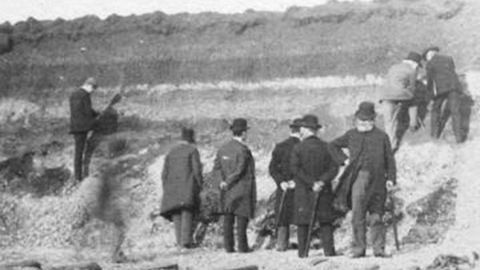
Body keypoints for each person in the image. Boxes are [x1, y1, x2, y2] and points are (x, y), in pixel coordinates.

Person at [330, 102, 396, 258]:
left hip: (379, 180)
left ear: (373, 120)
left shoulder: (382, 136)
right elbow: (332, 146)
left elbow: (390, 160)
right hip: (358, 179)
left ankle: (378, 249)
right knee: (358, 215)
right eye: (360, 121)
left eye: (366, 121)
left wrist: (391, 179)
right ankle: (359, 249)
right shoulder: (351, 134)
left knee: (377, 216)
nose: (362, 124)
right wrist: (344, 161)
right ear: (356, 120)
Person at [290, 115, 339, 258]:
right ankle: (329, 252)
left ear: (305, 129)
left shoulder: (297, 148)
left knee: (303, 223)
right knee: (326, 222)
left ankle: (303, 253)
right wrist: (321, 182)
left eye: (301, 128)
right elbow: (334, 168)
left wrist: (311, 183)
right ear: (315, 130)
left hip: (304, 190)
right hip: (323, 190)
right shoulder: (327, 146)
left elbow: (295, 169)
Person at [213, 118, 257, 253]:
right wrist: (228, 181)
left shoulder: (223, 148)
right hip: (241, 188)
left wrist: (222, 181)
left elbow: (216, 168)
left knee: (228, 219)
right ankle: (243, 247)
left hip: (226, 190)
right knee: (242, 219)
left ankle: (228, 247)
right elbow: (240, 169)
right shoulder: (243, 150)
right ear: (243, 133)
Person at [160, 127, 203, 249]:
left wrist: (166, 188)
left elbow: (164, 174)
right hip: (187, 186)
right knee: (187, 212)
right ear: (191, 139)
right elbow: (196, 171)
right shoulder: (192, 151)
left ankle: (180, 242)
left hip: (172, 188)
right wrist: (200, 185)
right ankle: (186, 242)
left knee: (176, 212)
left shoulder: (171, 152)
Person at [268, 118, 302, 251]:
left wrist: (281, 181)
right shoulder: (304, 147)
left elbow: (272, 168)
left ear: (291, 130)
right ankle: (303, 244)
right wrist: (297, 181)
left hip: (283, 186)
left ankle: (281, 244)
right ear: (301, 131)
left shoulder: (280, 146)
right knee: (301, 215)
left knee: (283, 215)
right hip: (300, 186)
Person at [379, 52, 423, 152]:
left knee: (390, 121)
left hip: (386, 95)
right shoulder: (412, 71)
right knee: (413, 103)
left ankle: (391, 146)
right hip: (402, 95)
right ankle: (413, 125)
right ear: (415, 63)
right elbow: (412, 88)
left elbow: (388, 81)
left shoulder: (394, 67)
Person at [423, 46, 464, 143]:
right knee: (455, 112)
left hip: (440, 89)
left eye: (426, 57)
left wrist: (430, 95)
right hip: (454, 87)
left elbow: (430, 81)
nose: (426, 59)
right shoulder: (449, 58)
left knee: (435, 109)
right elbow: (452, 73)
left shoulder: (430, 63)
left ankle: (434, 135)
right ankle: (459, 138)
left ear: (429, 55)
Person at [69, 77, 99, 181]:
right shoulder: (85, 95)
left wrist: (94, 113)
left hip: (75, 127)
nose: (93, 92)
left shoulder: (73, 94)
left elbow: (79, 110)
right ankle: (81, 177)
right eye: (93, 89)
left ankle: (77, 177)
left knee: (78, 153)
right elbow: (87, 111)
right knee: (82, 152)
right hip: (83, 127)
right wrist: (96, 120)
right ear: (89, 86)